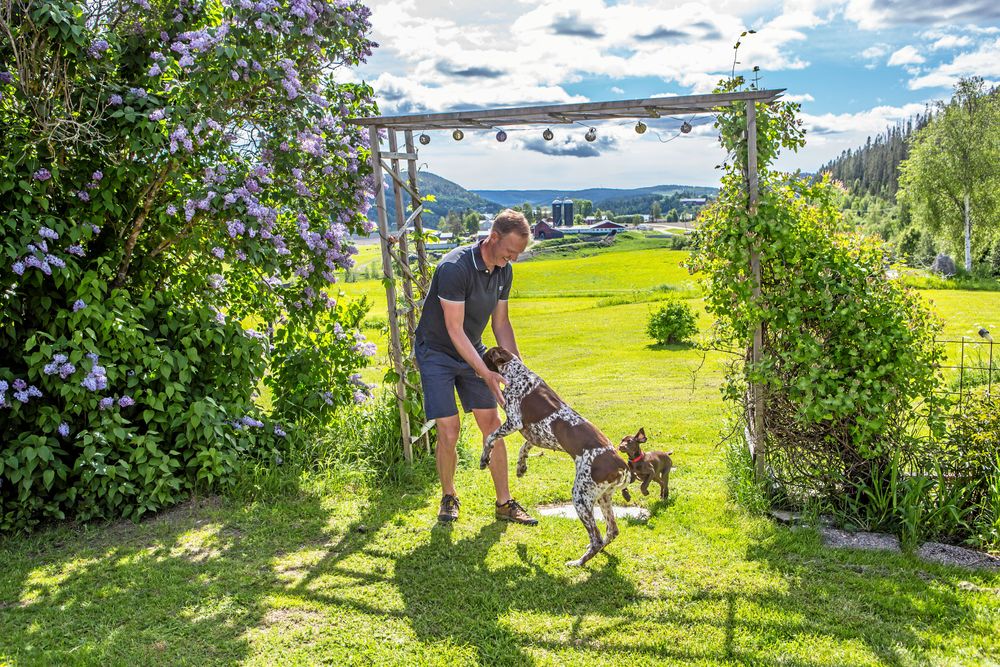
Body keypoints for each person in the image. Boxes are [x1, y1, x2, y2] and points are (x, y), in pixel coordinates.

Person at [414, 209, 538, 525]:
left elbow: (501, 324)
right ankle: (449, 496)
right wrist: (484, 371)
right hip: (437, 353)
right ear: (493, 237)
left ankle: (504, 503)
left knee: (492, 423)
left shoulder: (503, 271)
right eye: (510, 251)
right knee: (449, 427)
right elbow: (453, 330)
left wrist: (519, 371)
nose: (513, 259)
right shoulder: (455, 268)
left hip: (471, 347)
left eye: (518, 254)